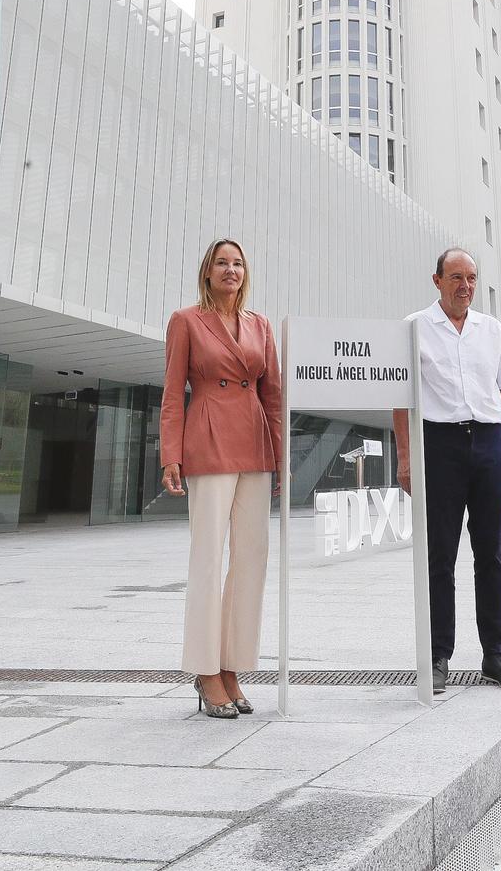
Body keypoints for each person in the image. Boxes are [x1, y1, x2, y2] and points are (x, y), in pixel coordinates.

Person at [394, 248, 501, 693]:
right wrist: (406, 458)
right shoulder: (414, 327)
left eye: (471, 278)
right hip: (440, 444)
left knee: (491, 554)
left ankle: (495, 654)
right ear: (437, 280)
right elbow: (401, 399)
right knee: (440, 557)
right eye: (455, 277)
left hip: (490, 442)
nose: (465, 286)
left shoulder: (490, 330)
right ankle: (437, 655)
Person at [160, 239, 283, 719]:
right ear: (207, 272)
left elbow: (273, 394)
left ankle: (232, 665)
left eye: (237, 263)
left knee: (251, 557)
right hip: (207, 438)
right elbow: (173, 391)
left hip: (254, 441)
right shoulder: (187, 320)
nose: (230, 270)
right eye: (221, 263)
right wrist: (171, 453)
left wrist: (279, 452)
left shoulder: (261, 325)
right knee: (208, 558)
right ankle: (205, 670)